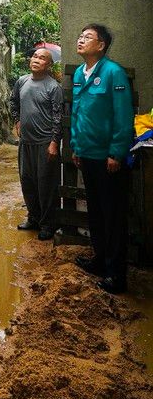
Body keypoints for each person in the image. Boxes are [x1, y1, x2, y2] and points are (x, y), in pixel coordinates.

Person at [71, 24, 134, 294]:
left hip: (107, 158)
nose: (81, 39)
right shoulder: (79, 73)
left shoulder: (113, 72)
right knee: (95, 212)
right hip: (86, 154)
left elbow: (123, 116)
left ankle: (116, 275)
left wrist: (116, 152)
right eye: (80, 36)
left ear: (101, 45)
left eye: (88, 37)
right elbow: (77, 113)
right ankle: (99, 260)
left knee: (113, 216)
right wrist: (75, 146)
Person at [10, 47, 62, 241]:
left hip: (44, 144)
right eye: (35, 56)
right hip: (26, 143)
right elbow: (13, 102)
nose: (36, 60)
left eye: (42, 58)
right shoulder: (22, 81)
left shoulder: (53, 87)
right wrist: (17, 120)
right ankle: (33, 218)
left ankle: (47, 224)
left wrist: (54, 142)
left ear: (49, 65)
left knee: (45, 185)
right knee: (27, 182)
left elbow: (58, 116)